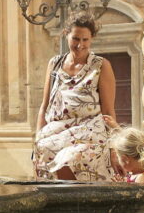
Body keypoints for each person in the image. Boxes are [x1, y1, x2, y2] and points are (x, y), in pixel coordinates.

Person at [33, 13, 120, 181]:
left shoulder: (101, 66)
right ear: (66, 34)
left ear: (92, 39)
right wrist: (37, 139)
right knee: (42, 151)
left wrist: (114, 150)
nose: (80, 45)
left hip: (88, 132)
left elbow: (109, 110)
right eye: (76, 39)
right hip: (55, 131)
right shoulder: (54, 64)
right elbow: (44, 106)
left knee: (68, 157)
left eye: (85, 40)